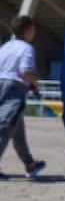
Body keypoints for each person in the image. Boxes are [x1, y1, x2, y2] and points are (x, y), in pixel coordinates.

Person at [0, 15, 46, 180]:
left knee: (17, 129)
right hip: (15, 89)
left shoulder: (6, 47)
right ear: (27, 30)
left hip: (1, 85)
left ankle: (29, 163)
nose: (34, 32)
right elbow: (25, 72)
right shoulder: (27, 48)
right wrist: (35, 84)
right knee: (5, 126)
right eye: (33, 29)